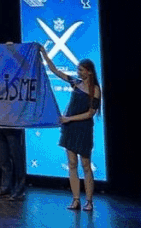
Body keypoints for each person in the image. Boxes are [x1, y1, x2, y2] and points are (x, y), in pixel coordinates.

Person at [41, 48, 101, 211]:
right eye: (78, 70)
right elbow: (55, 70)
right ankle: (76, 200)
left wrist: (69, 119)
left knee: (86, 165)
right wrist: (44, 53)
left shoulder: (95, 90)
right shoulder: (75, 83)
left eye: (81, 70)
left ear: (89, 72)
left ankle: (89, 201)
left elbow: (90, 113)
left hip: (83, 129)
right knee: (72, 164)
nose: (78, 72)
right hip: (70, 128)